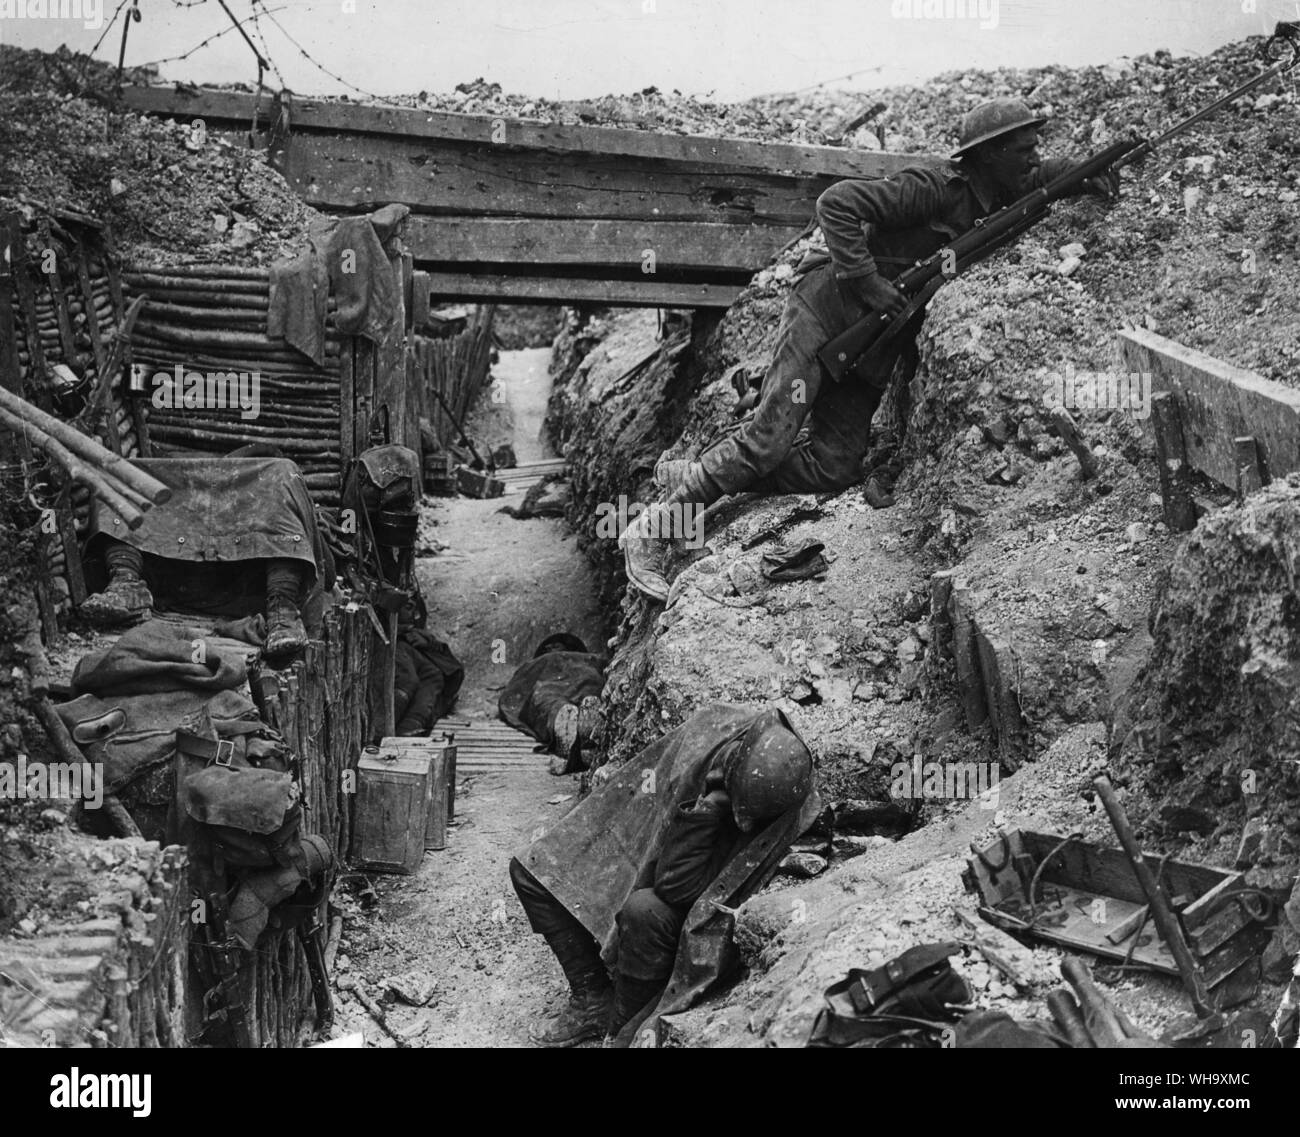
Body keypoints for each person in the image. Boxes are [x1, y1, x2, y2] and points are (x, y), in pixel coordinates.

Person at [620, 98, 1119, 599]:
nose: (1034, 156)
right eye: (1025, 148)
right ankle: (651, 530)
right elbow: (836, 204)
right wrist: (867, 280)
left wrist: (1084, 170)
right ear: (990, 154)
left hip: (867, 349)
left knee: (834, 467)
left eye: (1036, 148)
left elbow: (1040, 180)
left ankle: (703, 474)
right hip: (823, 314)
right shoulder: (932, 189)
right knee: (767, 442)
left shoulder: (999, 191)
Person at [510, 704, 818, 1046]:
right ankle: (592, 997)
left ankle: (622, 1015)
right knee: (531, 871)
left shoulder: (780, 796)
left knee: (645, 911)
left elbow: (678, 888)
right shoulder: (711, 729)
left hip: (682, 896)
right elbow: (639, 805)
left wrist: (710, 809)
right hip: (646, 843)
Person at [78, 444, 330, 661]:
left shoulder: (275, 483)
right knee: (116, 473)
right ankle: (126, 584)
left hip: (249, 587)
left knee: (282, 473)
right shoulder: (194, 497)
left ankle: (282, 614)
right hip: (174, 579)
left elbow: (317, 561)